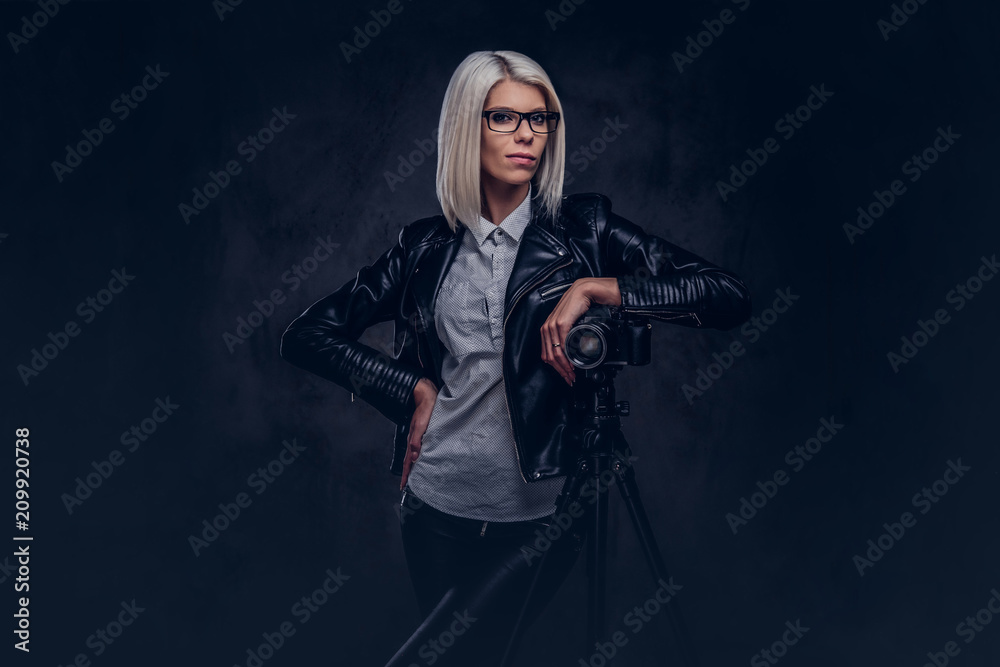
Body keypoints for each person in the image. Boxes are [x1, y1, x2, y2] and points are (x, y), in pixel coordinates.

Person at [279, 50, 752, 666]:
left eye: (541, 118)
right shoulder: (424, 248)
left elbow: (726, 296)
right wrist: (411, 389)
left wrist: (599, 287)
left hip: (542, 512)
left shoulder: (586, 230)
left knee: (460, 655)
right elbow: (307, 334)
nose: (527, 134)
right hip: (435, 511)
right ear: (465, 127)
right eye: (503, 117)